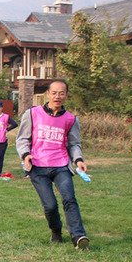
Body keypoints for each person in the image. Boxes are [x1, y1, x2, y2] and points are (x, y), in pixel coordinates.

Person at [16, 80, 90, 250]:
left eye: (61, 93)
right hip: (38, 167)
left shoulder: (71, 119)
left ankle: (79, 237)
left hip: (61, 166)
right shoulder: (32, 113)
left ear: (66, 95)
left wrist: (78, 160)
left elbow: (74, 144)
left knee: (69, 199)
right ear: (48, 94)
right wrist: (26, 155)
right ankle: (56, 230)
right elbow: (22, 139)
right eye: (54, 93)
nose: (58, 96)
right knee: (50, 206)